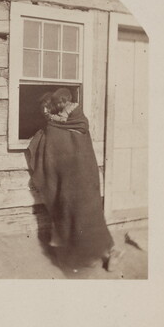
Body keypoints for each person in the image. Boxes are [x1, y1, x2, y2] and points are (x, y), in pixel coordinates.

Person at [26, 88, 123, 273]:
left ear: (56, 106)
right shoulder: (72, 126)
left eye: (47, 107)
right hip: (78, 181)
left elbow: (54, 152)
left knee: (83, 218)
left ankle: (105, 252)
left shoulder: (65, 126)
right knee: (79, 218)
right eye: (43, 109)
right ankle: (96, 254)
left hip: (78, 181)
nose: (45, 111)